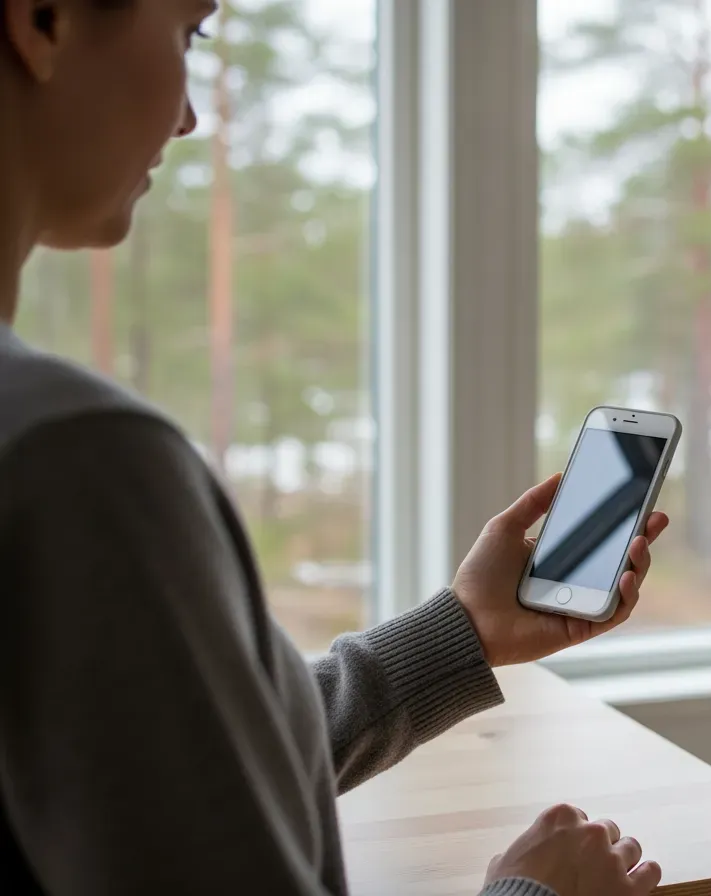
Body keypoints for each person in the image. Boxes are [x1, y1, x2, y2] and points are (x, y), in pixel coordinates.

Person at [0, 2, 668, 894]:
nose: (189, 115)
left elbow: (179, 760)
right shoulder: (74, 461)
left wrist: (461, 631)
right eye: (188, 33)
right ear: (41, 21)